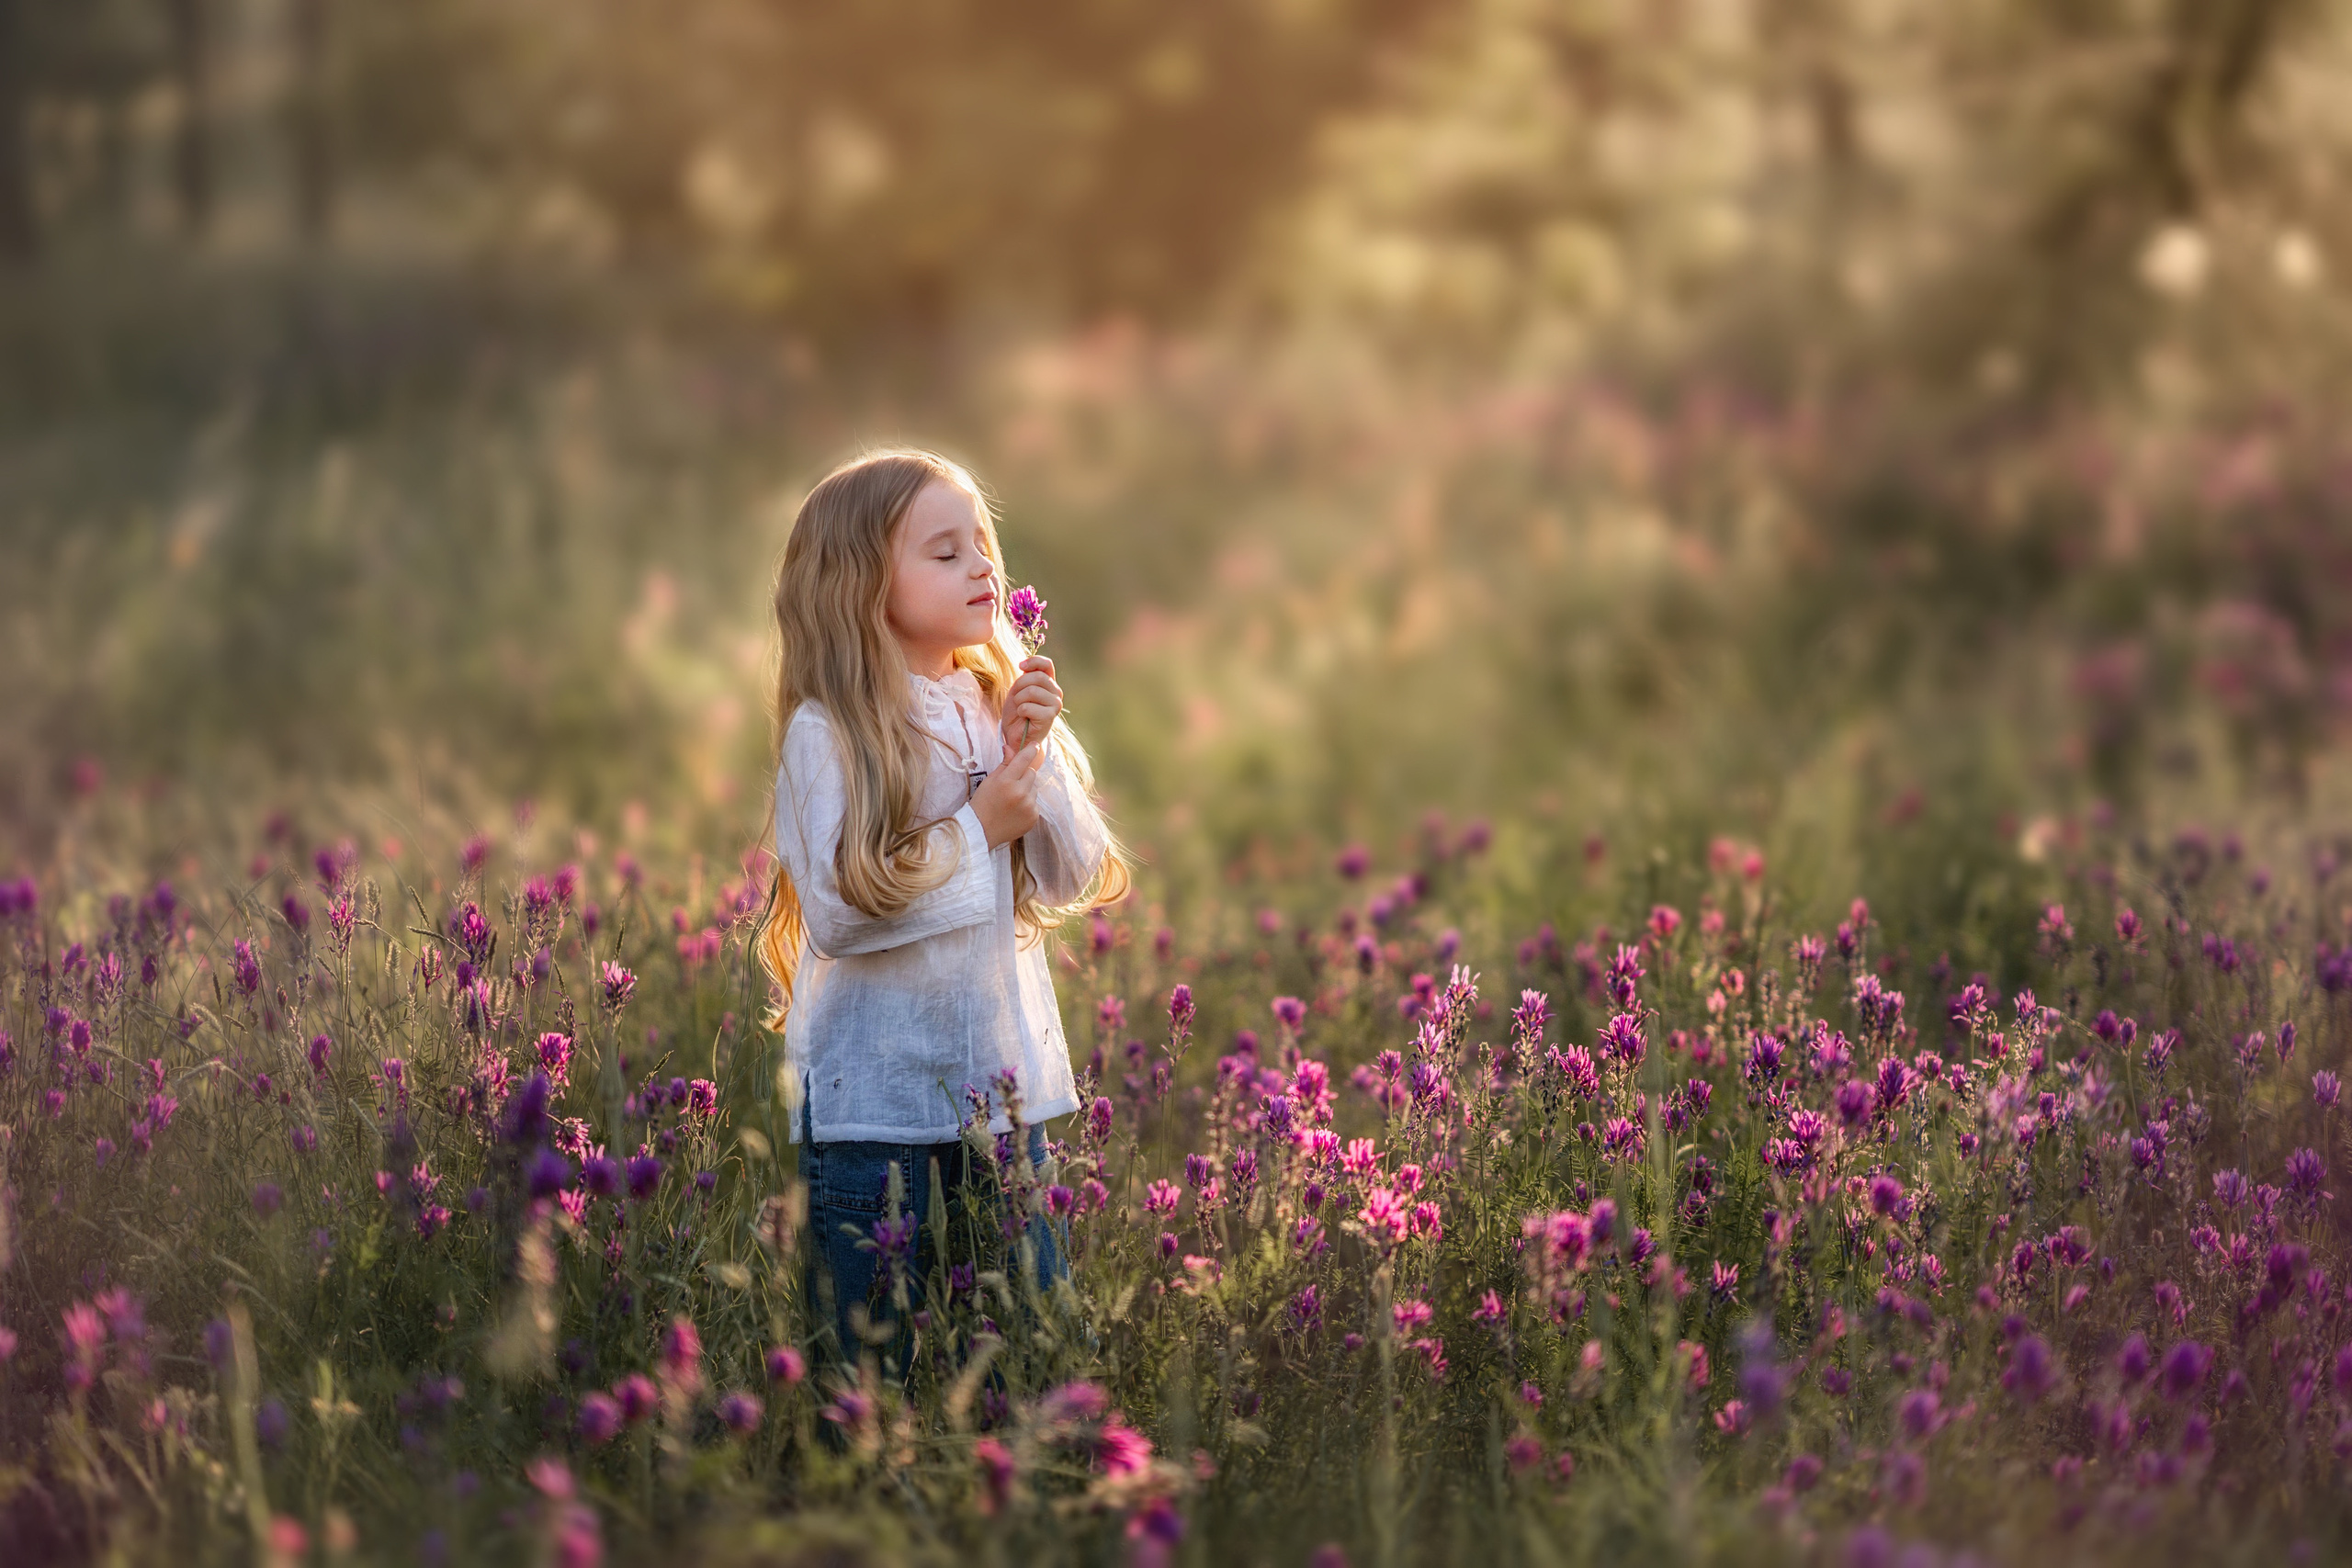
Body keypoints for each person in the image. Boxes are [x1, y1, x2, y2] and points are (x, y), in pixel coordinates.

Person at [752, 446, 1132, 1371]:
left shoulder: (991, 698)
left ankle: (1037, 1501)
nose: (983, 569)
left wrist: (1033, 755)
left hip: (1000, 1093)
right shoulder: (827, 732)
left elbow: (1072, 873)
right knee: (871, 1358)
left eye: (983, 545)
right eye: (945, 552)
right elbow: (841, 914)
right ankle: (875, 1500)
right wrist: (976, 825)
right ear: (860, 584)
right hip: (870, 1107)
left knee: (1034, 1339)